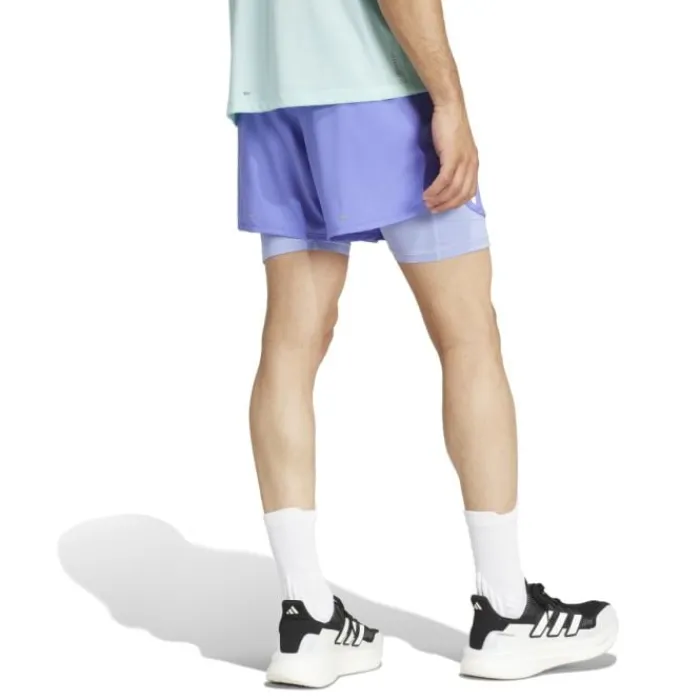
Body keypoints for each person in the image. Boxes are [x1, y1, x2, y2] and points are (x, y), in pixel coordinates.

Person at [227, 0, 618, 688]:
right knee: (467, 334)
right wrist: (449, 98)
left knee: (291, 342)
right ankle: (507, 613)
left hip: (271, 94)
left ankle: (307, 619)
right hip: (375, 87)